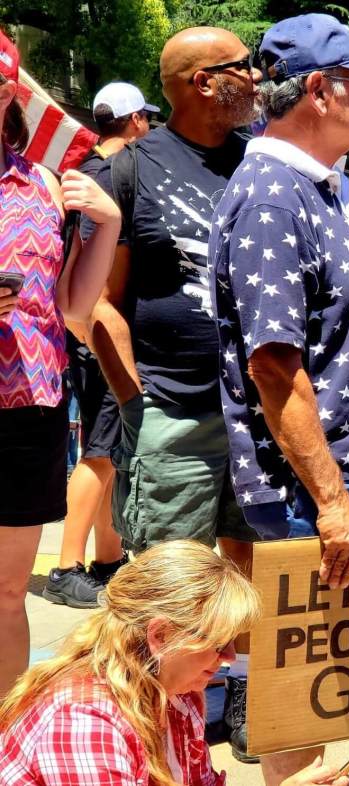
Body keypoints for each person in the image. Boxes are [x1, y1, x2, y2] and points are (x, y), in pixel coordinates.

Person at [208, 13, 349, 783]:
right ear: (320, 92)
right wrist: (334, 502)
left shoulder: (316, 188)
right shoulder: (272, 197)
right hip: (315, 497)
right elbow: (274, 368)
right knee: (310, 711)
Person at [88, 27, 262, 556]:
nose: (256, 77)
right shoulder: (130, 169)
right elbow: (98, 303)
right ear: (204, 83)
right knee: (171, 592)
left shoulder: (261, 165)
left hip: (258, 416)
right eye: (242, 65)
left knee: (251, 587)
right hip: (173, 420)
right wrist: (137, 406)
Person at [0, 540, 349, 786]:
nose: (229, 658)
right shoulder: (84, 723)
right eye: (216, 644)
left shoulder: (175, 690)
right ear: (161, 636)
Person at [0, 29, 122, 697]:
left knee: (8, 589)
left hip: (27, 410)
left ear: (10, 95)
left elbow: (74, 307)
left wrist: (106, 224)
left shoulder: (44, 186)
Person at [45, 82, 159, 609]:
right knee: (98, 454)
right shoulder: (107, 177)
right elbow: (85, 266)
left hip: (90, 332)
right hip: (99, 337)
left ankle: (108, 562)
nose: (151, 130)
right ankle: (65, 567)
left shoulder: (86, 173)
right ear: (135, 121)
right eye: (148, 120)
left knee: (111, 452)